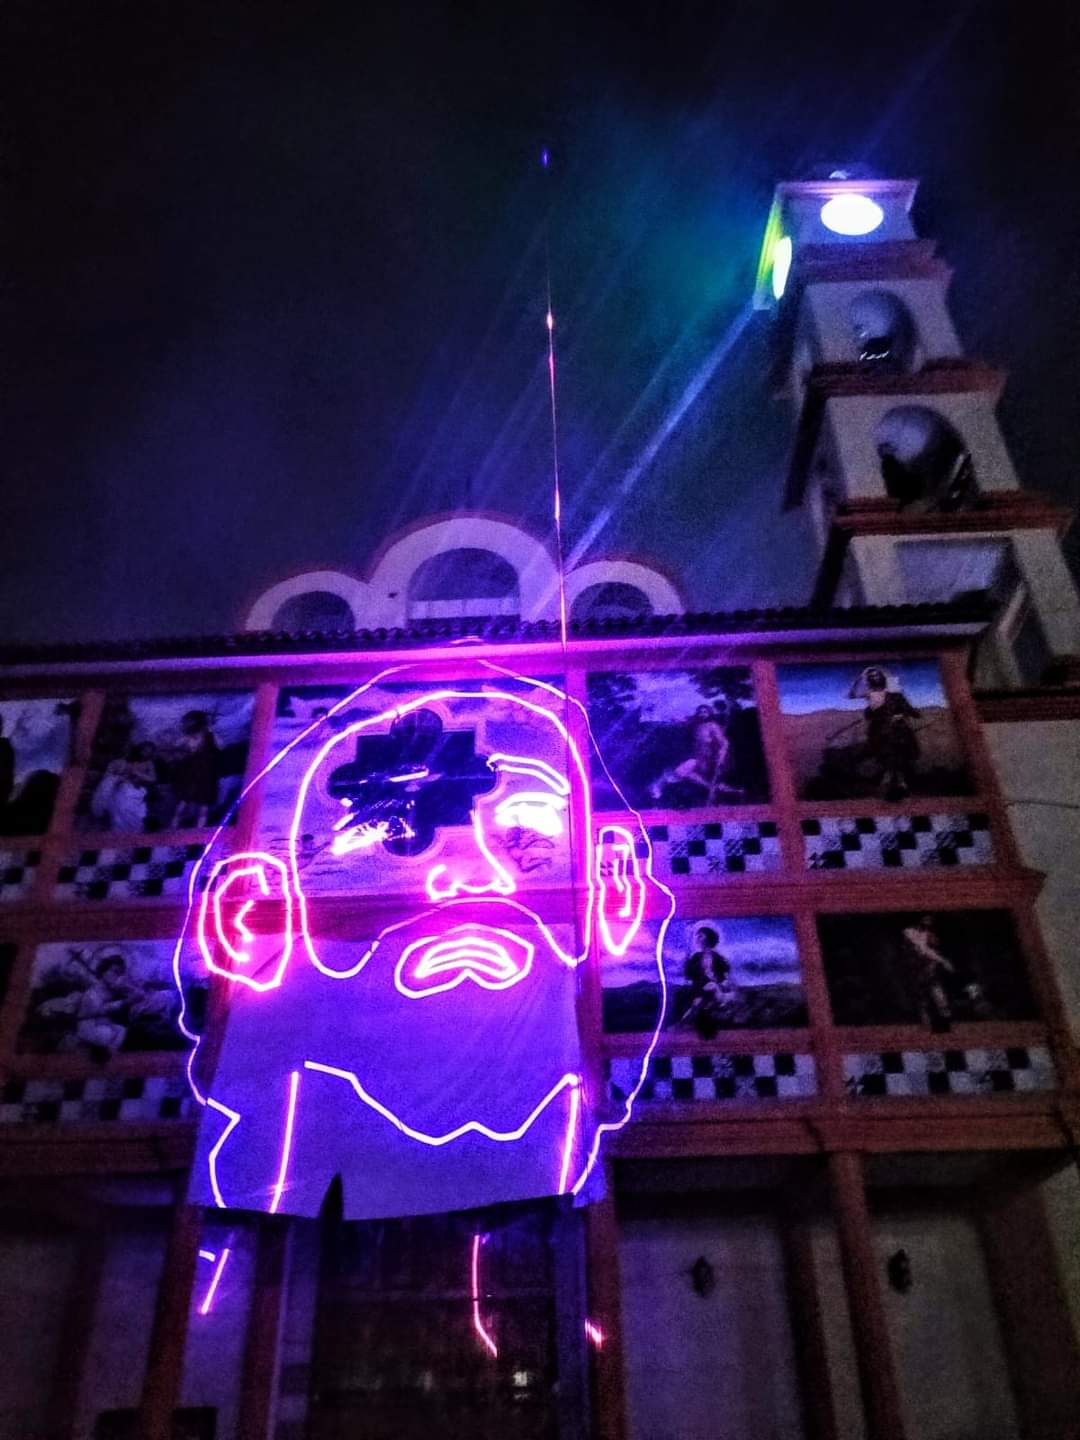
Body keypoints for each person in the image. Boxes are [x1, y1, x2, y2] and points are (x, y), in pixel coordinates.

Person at [185, 682, 671, 1219]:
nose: (466, 882)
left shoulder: (575, 1113)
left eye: (525, 835)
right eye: (386, 844)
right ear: (234, 922)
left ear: (618, 890)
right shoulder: (270, 1146)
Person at [848, 667, 921, 800]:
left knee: (898, 754)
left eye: (877, 675)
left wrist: (901, 715)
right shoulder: (869, 694)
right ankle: (892, 783)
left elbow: (907, 709)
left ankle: (900, 783)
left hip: (896, 729)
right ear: (869, 679)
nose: (875, 677)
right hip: (878, 731)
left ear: (881, 677)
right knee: (884, 755)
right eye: (872, 676)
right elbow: (851, 695)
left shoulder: (894, 694)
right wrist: (859, 678)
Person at [899, 915, 955, 1032]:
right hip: (915, 971)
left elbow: (930, 950)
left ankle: (946, 1025)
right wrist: (943, 961)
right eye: (926, 918)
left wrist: (936, 962)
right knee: (922, 1001)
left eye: (930, 919)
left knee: (940, 999)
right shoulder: (909, 932)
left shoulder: (928, 934)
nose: (929, 921)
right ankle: (926, 1027)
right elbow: (922, 950)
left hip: (928, 970)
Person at [682, 925, 736, 1038]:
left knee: (706, 997)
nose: (697, 938)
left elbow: (725, 976)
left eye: (700, 936)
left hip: (714, 991)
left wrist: (719, 982)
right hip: (698, 990)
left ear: (708, 938)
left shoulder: (718, 958)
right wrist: (687, 960)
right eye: (697, 936)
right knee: (698, 1004)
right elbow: (688, 975)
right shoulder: (696, 957)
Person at [171, 710, 220, 827]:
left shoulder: (210, 736)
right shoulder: (188, 738)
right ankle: (173, 830)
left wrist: (210, 732)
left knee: (203, 807)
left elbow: (221, 746)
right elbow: (175, 746)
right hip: (191, 773)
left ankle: (199, 833)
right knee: (183, 804)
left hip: (206, 774)